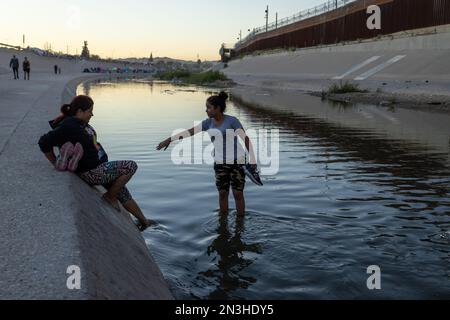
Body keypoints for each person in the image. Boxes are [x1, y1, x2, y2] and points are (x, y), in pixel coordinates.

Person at [38, 95, 154, 231]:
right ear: (80, 111)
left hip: (98, 167)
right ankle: (110, 197)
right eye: (90, 111)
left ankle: (144, 222)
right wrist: (54, 162)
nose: (92, 114)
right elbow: (43, 142)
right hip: (91, 172)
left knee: (122, 191)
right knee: (130, 166)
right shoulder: (69, 125)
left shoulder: (79, 123)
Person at [157, 91, 258, 217]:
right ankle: (223, 223)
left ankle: (241, 223)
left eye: (209, 108)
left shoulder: (232, 121)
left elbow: (245, 139)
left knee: (238, 194)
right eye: (207, 108)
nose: (206, 110)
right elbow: (190, 132)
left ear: (218, 108)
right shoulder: (207, 123)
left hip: (238, 161)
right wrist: (169, 139)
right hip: (220, 163)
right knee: (222, 193)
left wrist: (253, 159)